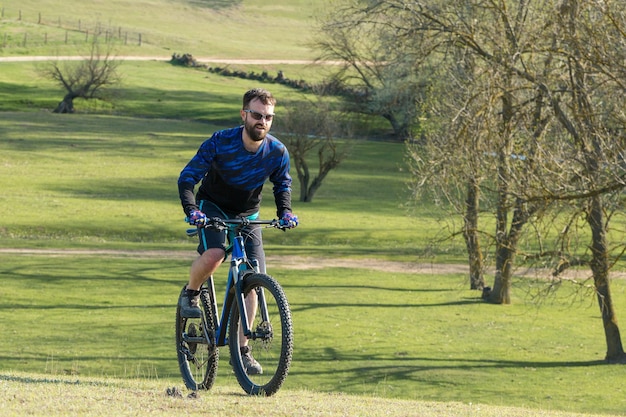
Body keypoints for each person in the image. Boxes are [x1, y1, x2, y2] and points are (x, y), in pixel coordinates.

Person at [177, 88, 298, 375]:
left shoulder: (277, 151)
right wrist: (193, 211)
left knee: (253, 279)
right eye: (257, 115)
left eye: (268, 117)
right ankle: (191, 293)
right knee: (216, 254)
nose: (262, 121)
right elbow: (187, 178)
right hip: (213, 207)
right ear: (244, 114)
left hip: (248, 215)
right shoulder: (221, 142)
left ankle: (242, 351)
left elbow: (282, 185)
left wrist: (285, 213)